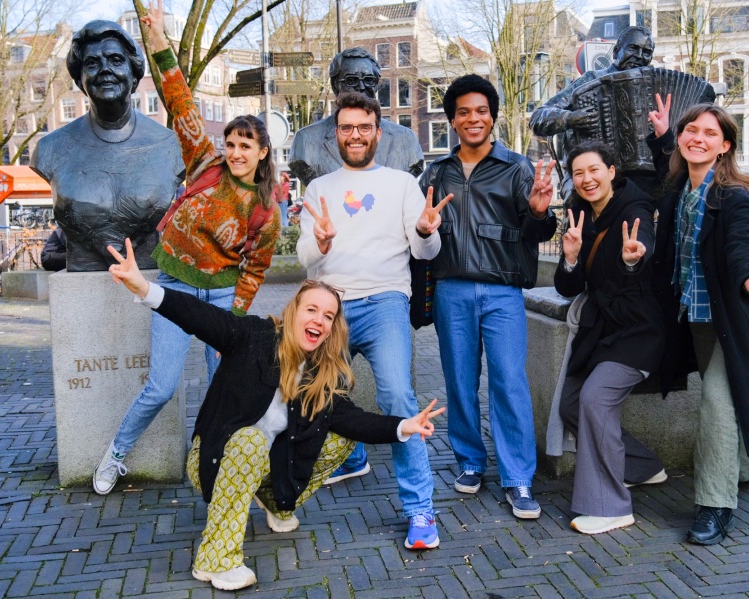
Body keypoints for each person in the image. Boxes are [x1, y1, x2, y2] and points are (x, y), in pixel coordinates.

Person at [105, 238, 444, 591]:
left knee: (341, 438)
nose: (319, 320)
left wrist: (403, 425)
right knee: (251, 441)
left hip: (267, 463)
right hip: (216, 457)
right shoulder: (253, 336)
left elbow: (355, 419)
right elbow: (198, 316)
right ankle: (215, 560)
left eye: (328, 316)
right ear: (294, 311)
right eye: (312, 309)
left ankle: (273, 500)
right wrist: (144, 288)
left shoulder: (320, 374)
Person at [92, 0, 281, 496]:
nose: (236, 153)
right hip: (174, 287)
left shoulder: (266, 210)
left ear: (262, 152)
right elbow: (178, 98)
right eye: (232, 143)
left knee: (226, 388)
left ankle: (225, 468)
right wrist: (157, 38)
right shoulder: (204, 162)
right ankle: (116, 454)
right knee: (160, 386)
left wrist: (232, 323)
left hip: (221, 298)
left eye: (246, 146)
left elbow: (255, 270)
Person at [296, 92, 448, 549]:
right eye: (347, 127)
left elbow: (426, 251)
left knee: (397, 395)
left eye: (364, 127)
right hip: (332, 305)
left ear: (378, 133)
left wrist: (424, 230)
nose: (356, 135)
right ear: (335, 134)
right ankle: (338, 462)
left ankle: (421, 510)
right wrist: (321, 243)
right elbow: (304, 259)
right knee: (314, 393)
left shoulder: (401, 184)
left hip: (385, 302)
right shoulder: (318, 189)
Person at [646, 95, 749, 545]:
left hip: (732, 315)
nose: (699, 139)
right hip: (696, 317)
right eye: (691, 130)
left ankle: (714, 506)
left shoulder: (732, 195)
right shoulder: (679, 189)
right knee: (728, 398)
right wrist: (664, 136)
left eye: (710, 133)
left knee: (716, 402)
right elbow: (666, 166)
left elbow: (741, 243)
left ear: (725, 146)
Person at [418, 74, 556, 520]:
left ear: (492, 117)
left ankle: (518, 477)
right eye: (464, 112)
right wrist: (421, 228)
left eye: (481, 111)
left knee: (509, 382)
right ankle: (470, 461)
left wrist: (539, 212)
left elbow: (539, 232)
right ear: (453, 120)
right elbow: (419, 235)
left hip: (502, 292)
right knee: (459, 381)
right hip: (451, 289)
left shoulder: (517, 168)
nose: (473, 118)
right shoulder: (435, 173)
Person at [552, 141, 665, 535]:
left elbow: (642, 243)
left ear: (612, 171)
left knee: (595, 398)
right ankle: (642, 467)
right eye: (578, 173)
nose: (587, 179)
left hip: (637, 330)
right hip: (601, 332)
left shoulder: (634, 208)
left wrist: (634, 258)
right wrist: (570, 258)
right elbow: (568, 287)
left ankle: (610, 506)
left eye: (594, 170)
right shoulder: (580, 215)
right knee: (570, 403)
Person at [30, 20, 184, 271]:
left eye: (115, 60)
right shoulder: (50, 149)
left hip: (147, 275)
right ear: (80, 81)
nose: (104, 69)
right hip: (81, 271)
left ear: (134, 76)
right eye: (92, 63)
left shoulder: (171, 146)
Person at [530, 26, 715, 206]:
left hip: (646, 181)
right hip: (594, 174)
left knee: (676, 196)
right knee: (578, 203)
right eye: (633, 48)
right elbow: (538, 117)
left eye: (646, 52)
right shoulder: (591, 81)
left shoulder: (659, 84)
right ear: (616, 51)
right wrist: (570, 118)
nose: (640, 56)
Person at [288, 47, 424, 187]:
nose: (361, 87)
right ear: (335, 86)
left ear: (376, 85)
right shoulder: (305, 140)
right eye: (351, 80)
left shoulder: (406, 139)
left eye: (369, 80)